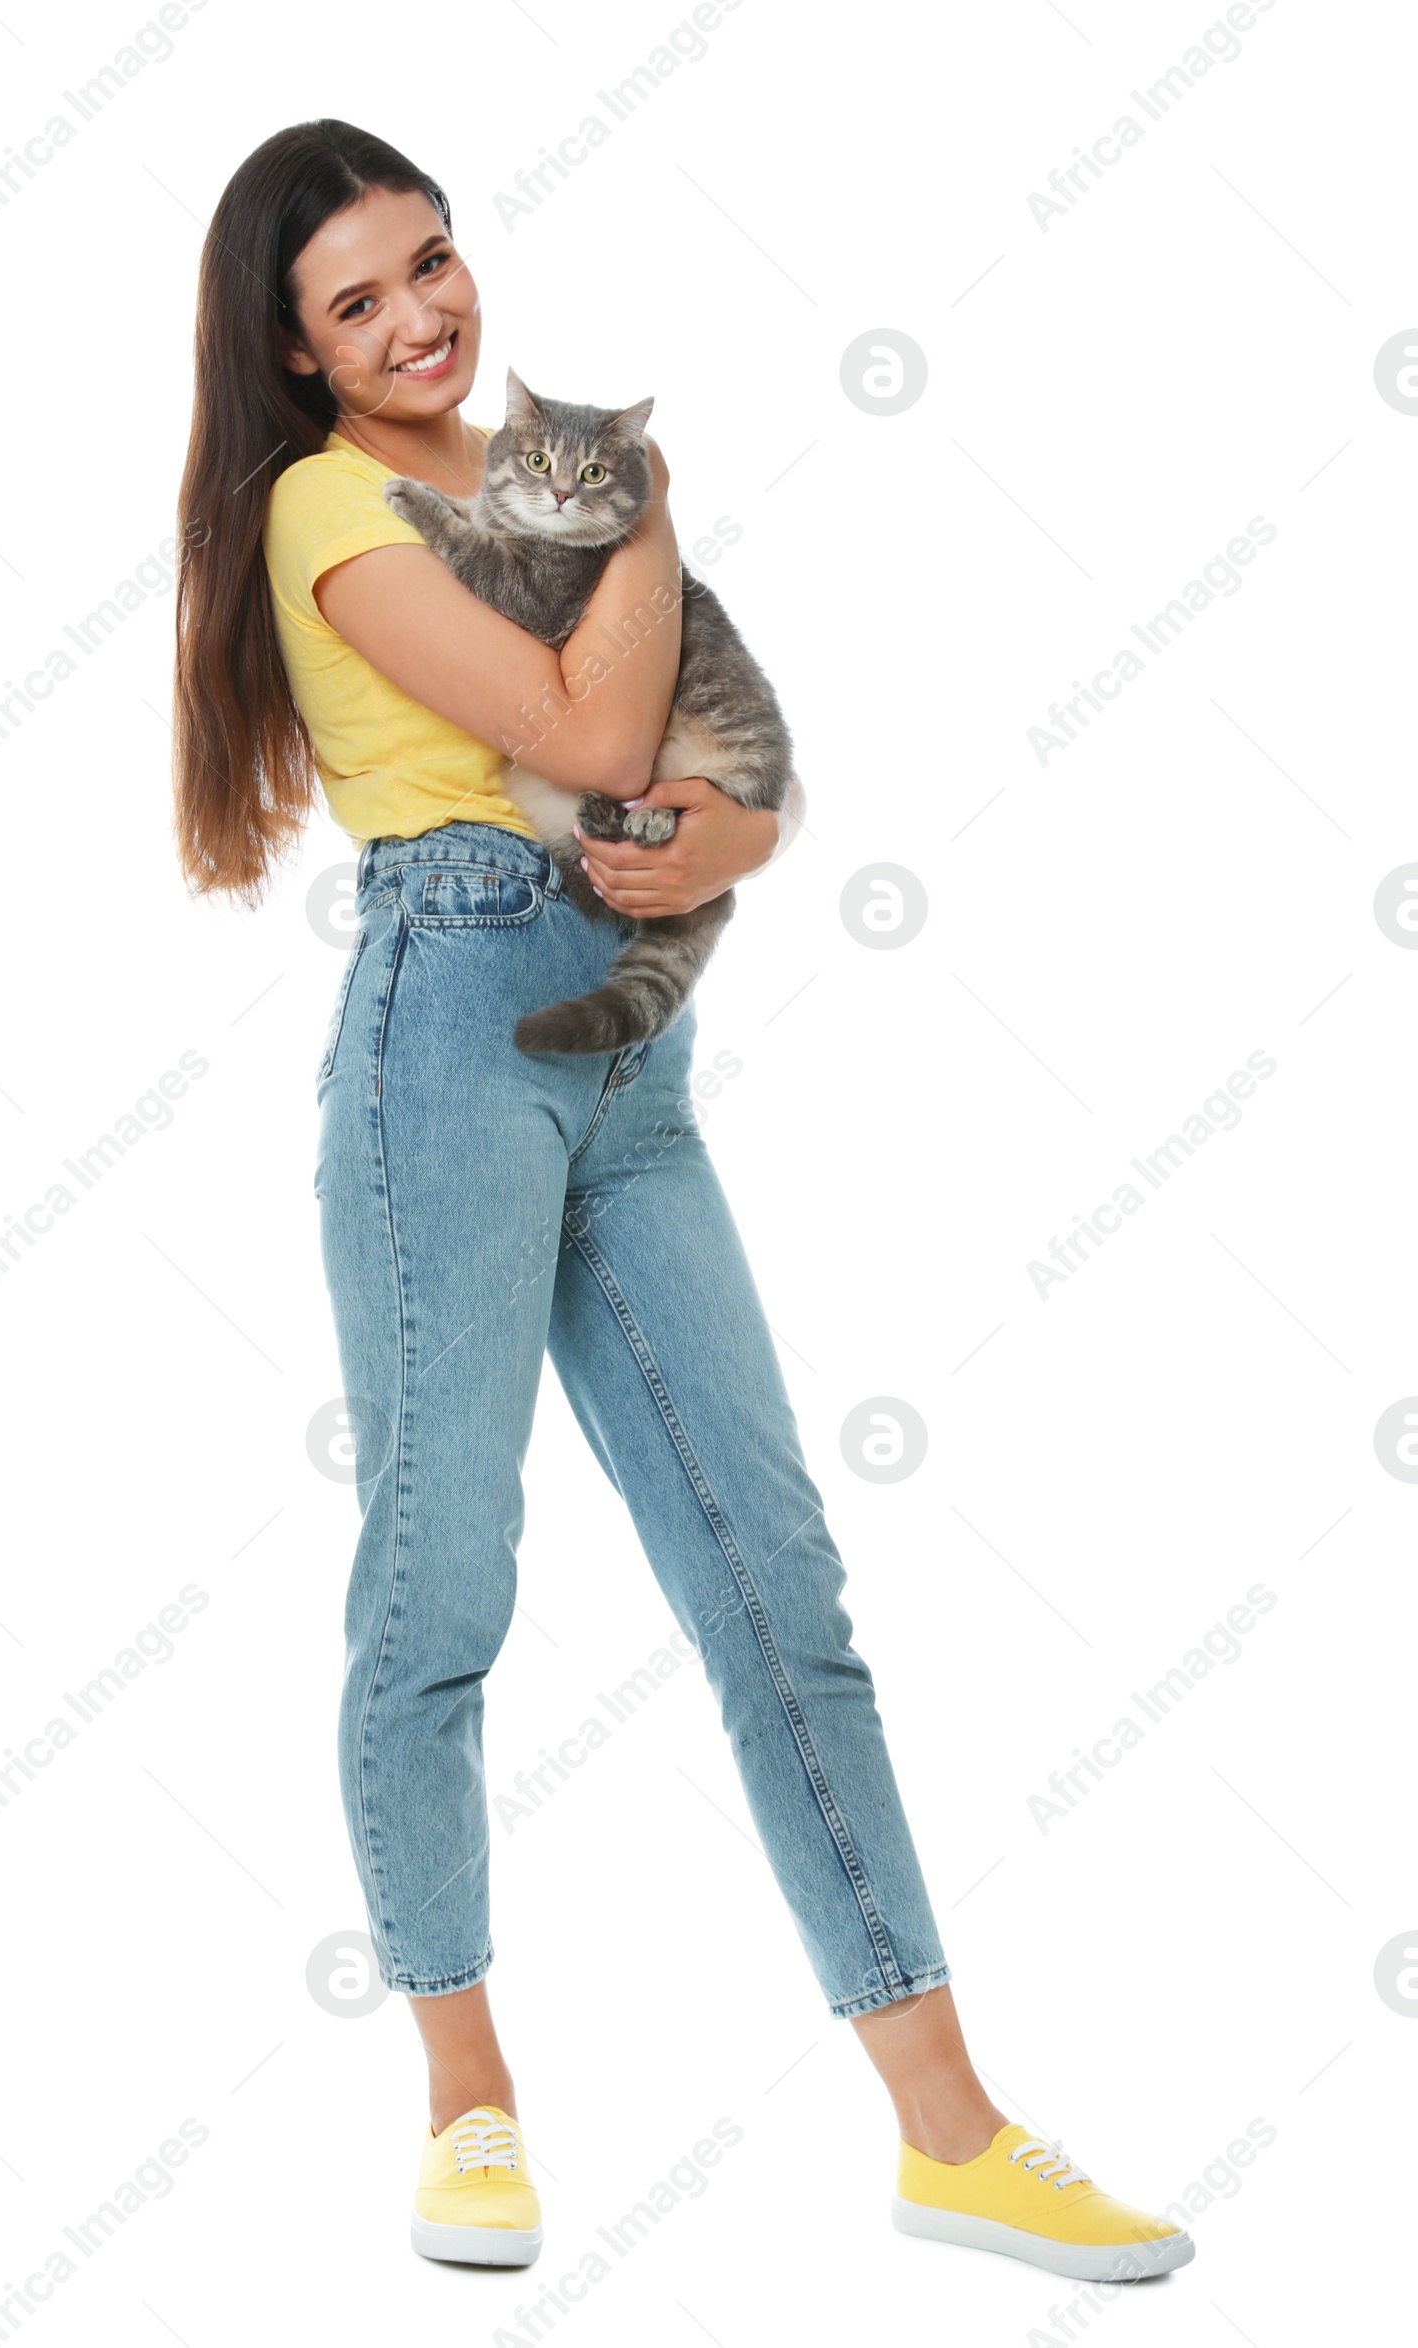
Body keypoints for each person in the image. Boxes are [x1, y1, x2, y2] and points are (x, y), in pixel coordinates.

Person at [172, 117, 1193, 2287]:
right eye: (357, 300)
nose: (421, 315)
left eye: (430, 262)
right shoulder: (323, 506)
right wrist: (639, 504)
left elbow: (684, 779)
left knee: (776, 1586)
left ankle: (950, 2129)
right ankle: (466, 2109)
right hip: (442, 1040)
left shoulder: (493, 482)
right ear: (293, 354)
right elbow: (586, 711)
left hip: (630, 1051)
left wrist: (724, 842)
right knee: (441, 1587)